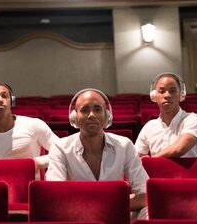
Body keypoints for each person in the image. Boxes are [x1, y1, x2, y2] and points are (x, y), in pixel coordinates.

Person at [46, 88, 148, 219]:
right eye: (84, 110)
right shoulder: (60, 148)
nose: (91, 115)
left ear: (107, 116)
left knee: (148, 211)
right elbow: (55, 195)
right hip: (77, 217)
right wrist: (109, 203)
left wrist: (100, 204)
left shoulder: (125, 145)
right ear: (74, 117)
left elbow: (145, 194)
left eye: (97, 109)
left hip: (115, 216)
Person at [0, 81, 59, 174]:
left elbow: (61, 152)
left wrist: (35, 163)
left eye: (4, 96)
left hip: (32, 187)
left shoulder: (34, 125)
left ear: (12, 101)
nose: (0, 100)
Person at [135, 72, 197, 157]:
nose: (167, 95)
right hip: (158, 170)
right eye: (161, 91)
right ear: (154, 96)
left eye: (172, 91)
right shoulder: (149, 127)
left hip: (188, 171)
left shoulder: (194, 119)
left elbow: (180, 148)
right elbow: (136, 157)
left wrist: (150, 161)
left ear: (181, 95)